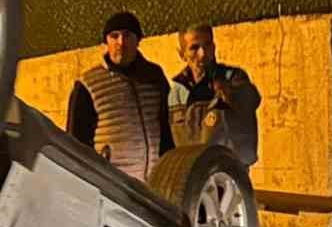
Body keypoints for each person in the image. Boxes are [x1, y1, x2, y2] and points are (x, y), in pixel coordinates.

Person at [66, 11, 174, 181]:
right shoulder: (88, 84)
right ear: (106, 41)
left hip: (153, 181)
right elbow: (76, 141)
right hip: (111, 183)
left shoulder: (154, 76)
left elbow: (167, 125)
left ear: (138, 40)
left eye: (127, 35)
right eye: (114, 36)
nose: (121, 42)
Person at [167, 23, 261, 166]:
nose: (203, 54)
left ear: (214, 47)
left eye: (207, 45)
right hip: (193, 170)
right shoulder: (176, 92)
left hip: (230, 168)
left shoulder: (233, 77)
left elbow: (251, 100)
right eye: (194, 48)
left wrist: (229, 93)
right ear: (182, 54)